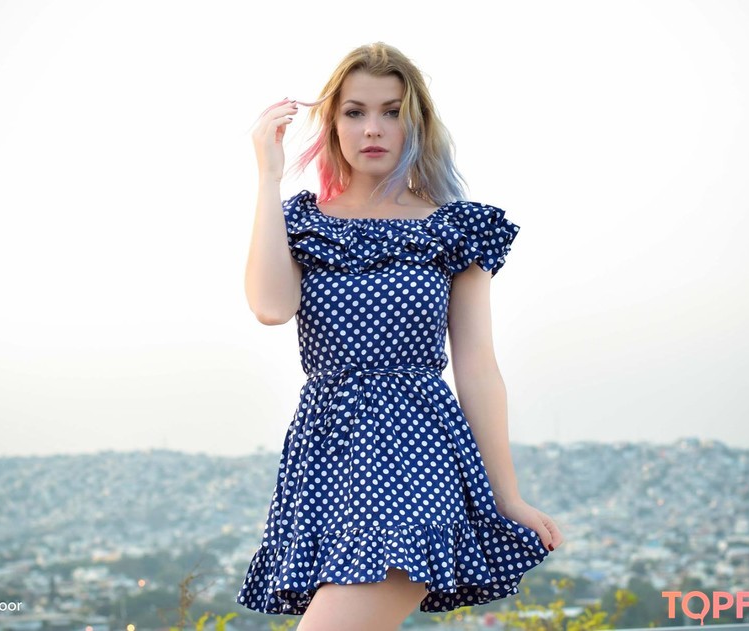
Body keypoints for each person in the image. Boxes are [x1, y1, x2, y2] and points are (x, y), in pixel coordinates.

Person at [237, 42, 564, 630]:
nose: (373, 128)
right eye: (355, 112)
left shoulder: (453, 228)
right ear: (333, 124)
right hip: (329, 460)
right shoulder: (302, 222)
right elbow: (270, 307)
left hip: (418, 454)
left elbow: (477, 368)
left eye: (392, 112)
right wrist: (267, 175)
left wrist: (506, 497)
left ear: (417, 123)